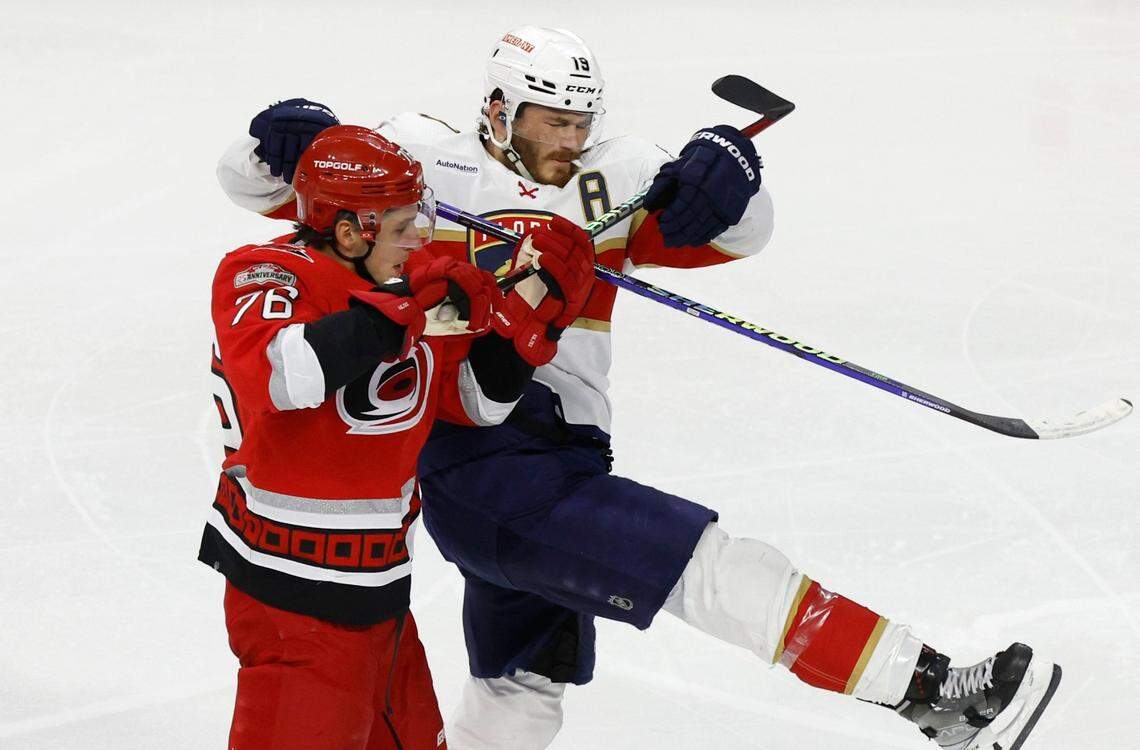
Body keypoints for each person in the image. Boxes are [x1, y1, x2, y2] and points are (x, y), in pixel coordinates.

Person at [216, 27, 1061, 750]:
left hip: (562, 448)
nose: (571, 138)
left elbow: (737, 235)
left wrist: (728, 174)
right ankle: (936, 693)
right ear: (501, 111)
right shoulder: (421, 163)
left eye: (584, 119)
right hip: (480, 458)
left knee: (525, 678)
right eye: (554, 119)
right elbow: (276, 189)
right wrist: (280, 142)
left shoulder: (617, 177)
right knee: (707, 564)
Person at [202, 124, 596, 749]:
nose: (419, 238)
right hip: (291, 608)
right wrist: (402, 305)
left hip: (379, 604)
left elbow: (476, 404)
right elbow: (281, 373)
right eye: (402, 225)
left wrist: (530, 315)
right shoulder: (265, 273)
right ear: (349, 229)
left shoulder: (410, 285)